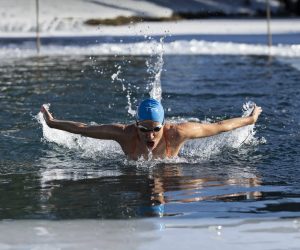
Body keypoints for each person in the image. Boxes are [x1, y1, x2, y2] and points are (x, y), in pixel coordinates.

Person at [41, 98, 262, 160]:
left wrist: (249, 120)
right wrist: (53, 123)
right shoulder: (124, 134)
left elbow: (219, 127)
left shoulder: (177, 133)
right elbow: (84, 129)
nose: (150, 135)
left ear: (164, 126)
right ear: (135, 125)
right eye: (144, 129)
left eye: (155, 128)